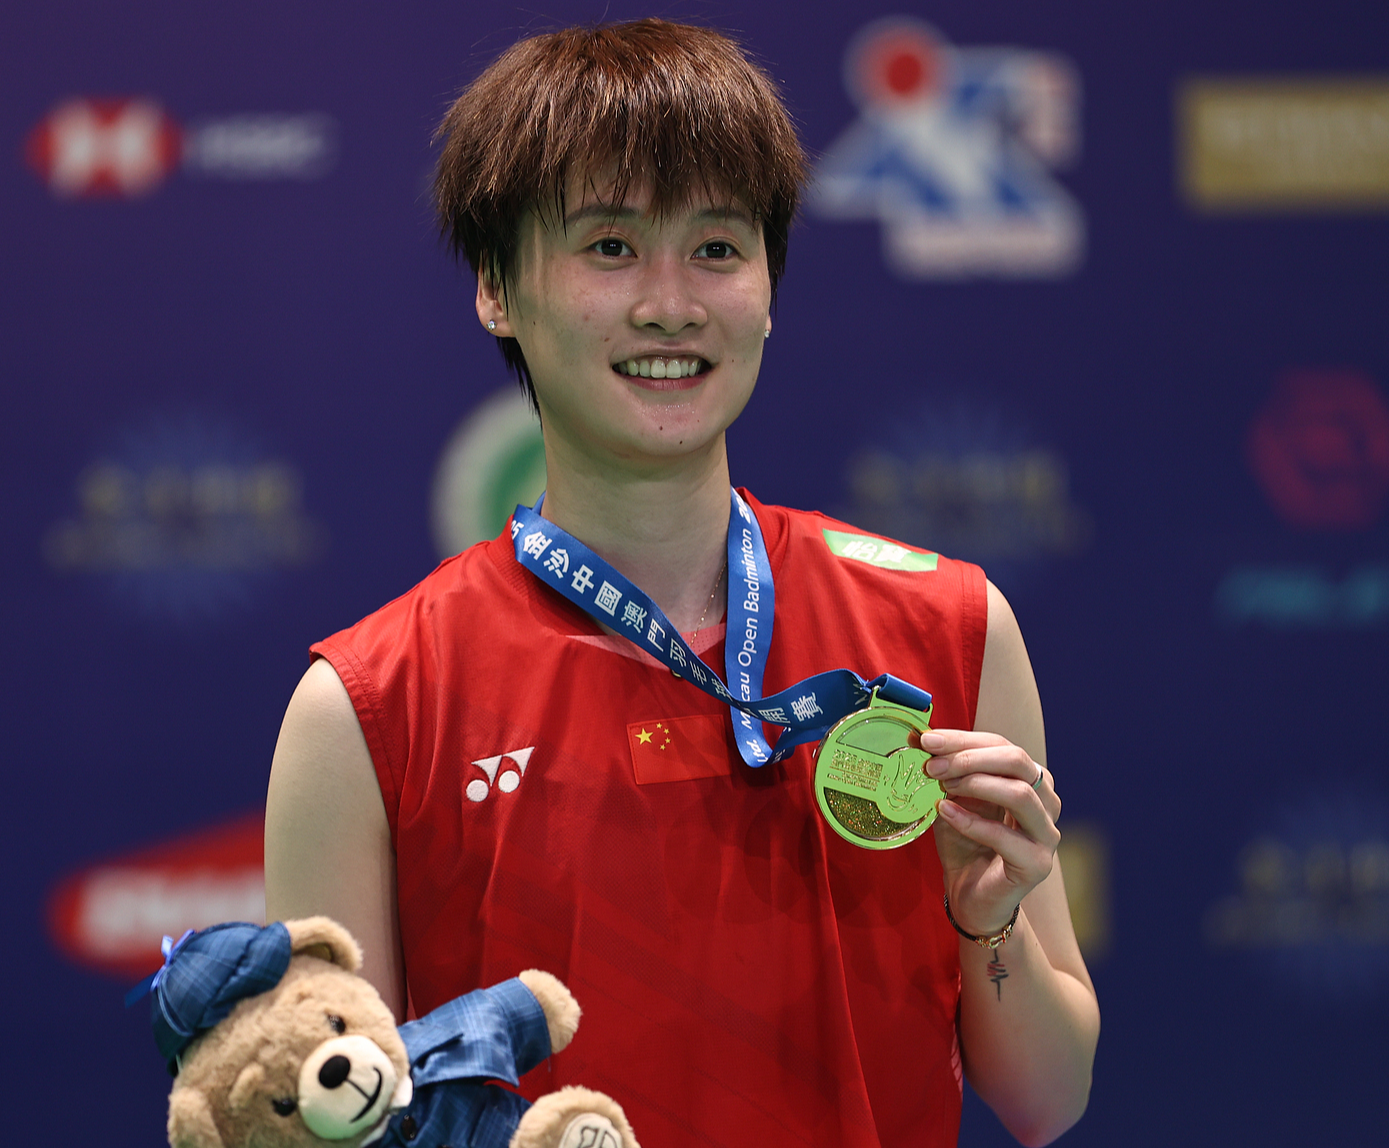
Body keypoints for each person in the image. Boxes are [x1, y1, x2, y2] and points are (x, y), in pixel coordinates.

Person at [265, 18, 1097, 1147]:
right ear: (495, 287)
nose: (671, 303)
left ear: (769, 286)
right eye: (610, 247)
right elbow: (325, 1119)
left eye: (716, 248)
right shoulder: (368, 709)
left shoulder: (948, 626)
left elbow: (1049, 1099)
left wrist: (986, 921)